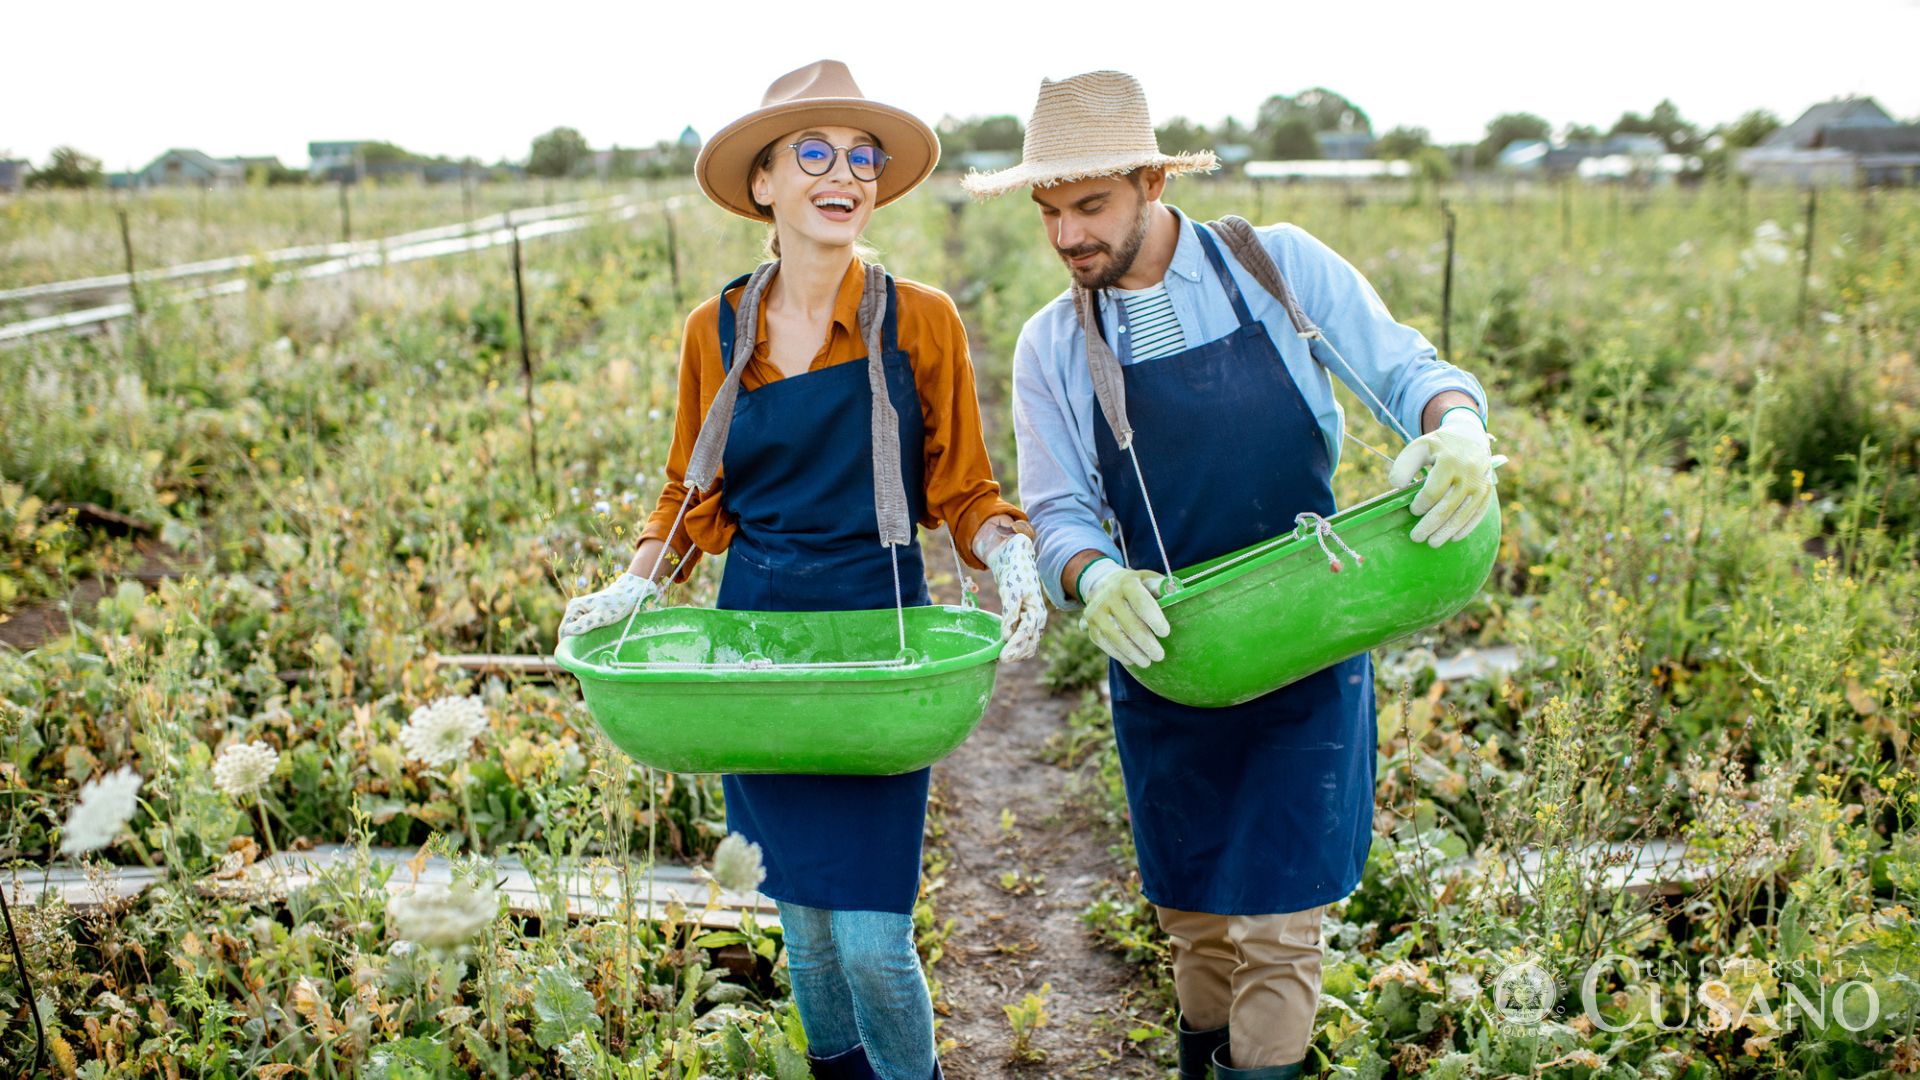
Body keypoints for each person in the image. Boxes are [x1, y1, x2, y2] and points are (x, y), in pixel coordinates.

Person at [963, 71, 1503, 1080]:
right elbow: (1064, 507)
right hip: (1176, 649)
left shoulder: (1276, 266)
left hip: (1308, 630)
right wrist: (1092, 578)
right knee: (1197, 924)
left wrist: (1458, 429)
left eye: (1091, 206)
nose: (1068, 235)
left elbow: (1406, 370)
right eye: (1050, 213)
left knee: (1279, 930)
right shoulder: (1051, 347)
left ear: (1153, 180)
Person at [559, 60, 1045, 1080]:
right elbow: (691, 497)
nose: (847, 174)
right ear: (765, 184)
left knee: (873, 936)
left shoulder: (920, 320)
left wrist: (1011, 556)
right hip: (759, 647)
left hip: (878, 639)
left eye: (862, 157)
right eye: (815, 153)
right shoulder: (718, 331)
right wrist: (634, 584)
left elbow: (961, 489)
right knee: (807, 929)